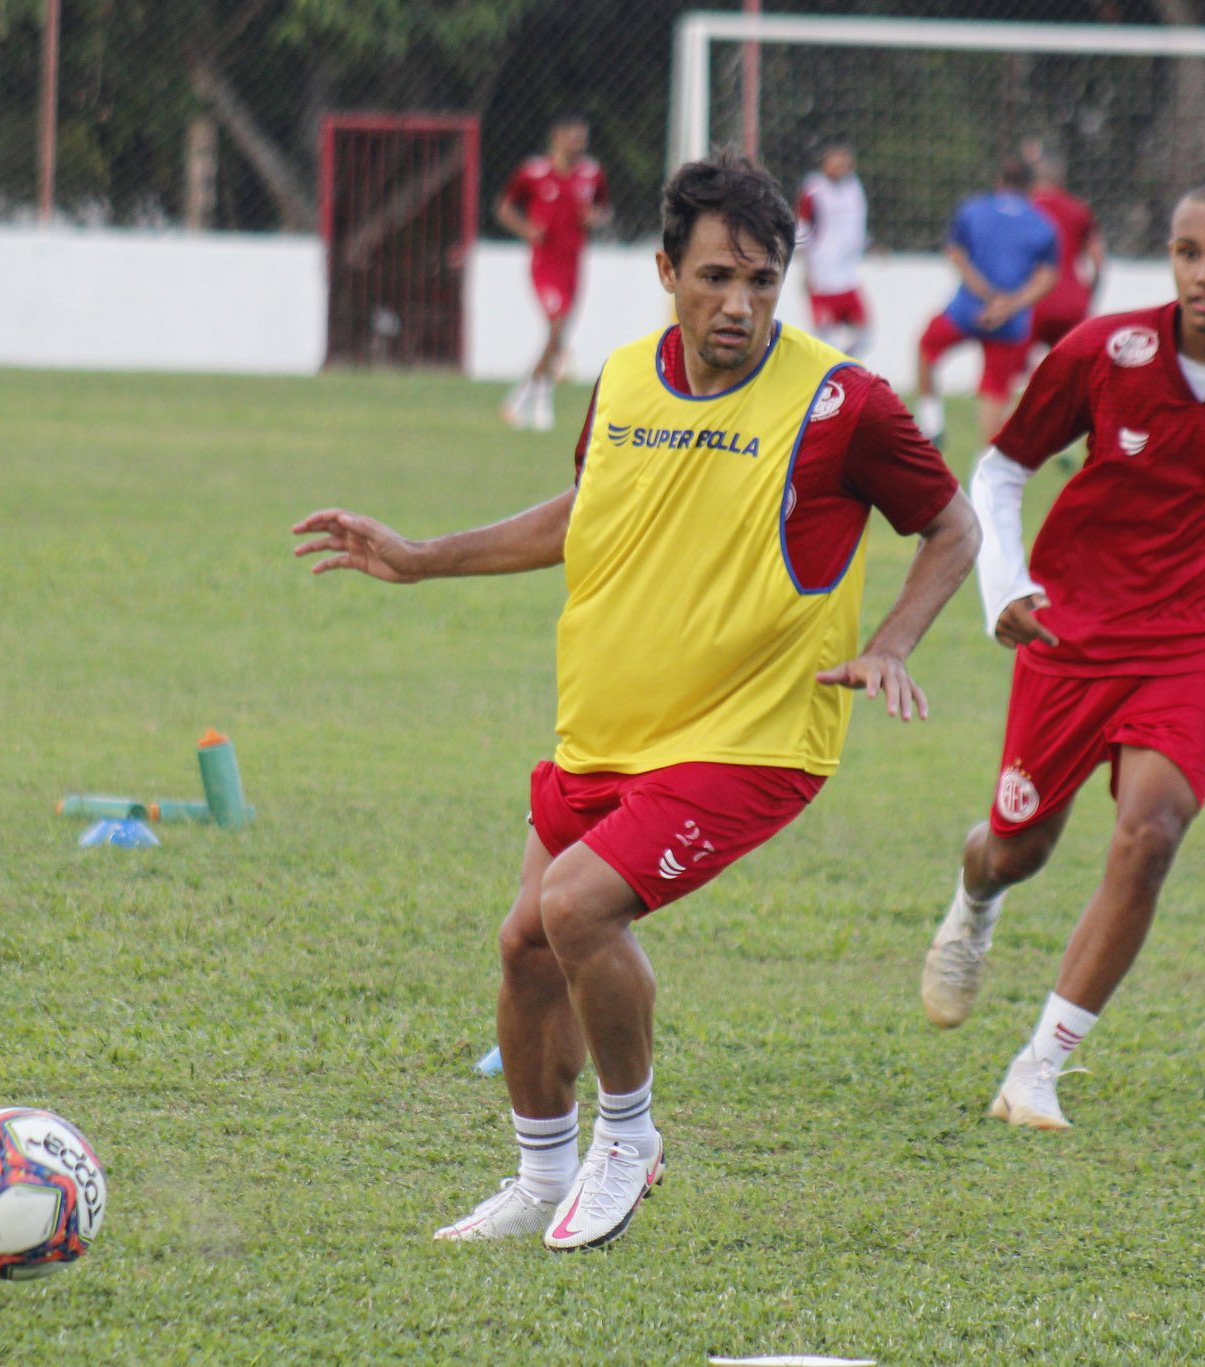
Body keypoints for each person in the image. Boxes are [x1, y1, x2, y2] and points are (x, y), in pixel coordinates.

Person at [295, 155, 978, 1248]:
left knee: (574, 907)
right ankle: (536, 1176)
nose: (739, 305)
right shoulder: (620, 377)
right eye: (715, 276)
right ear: (665, 271)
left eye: (761, 281)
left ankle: (629, 1133)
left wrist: (891, 640)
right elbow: (585, 511)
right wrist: (425, 557)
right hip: (605, 730)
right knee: (525, 945)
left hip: (752, 738)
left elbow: (952, 527)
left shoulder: (840, 401)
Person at [919, 177, 1205, 1131]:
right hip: (1070, 634)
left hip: (1198, 647)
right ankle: (973, 901)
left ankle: (1039, 1066)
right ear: (1169, 256)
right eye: (1188, 252)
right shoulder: (1102, 352)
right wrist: (1008, 590)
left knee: (1151, 831)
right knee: (1017, 847)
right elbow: (998, 473)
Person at [912, 155, 1058, 447]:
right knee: (994, 395)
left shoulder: (972, 210)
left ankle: (931, 420)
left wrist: (987, 296)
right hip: (1011, 322)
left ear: (999, 181)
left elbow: (956, 255)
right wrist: (1011, 304)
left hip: (967, 310)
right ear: (1031, 187)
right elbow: (1047, 276)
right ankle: (984, 476)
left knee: (926, 348)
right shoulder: (1043, 224)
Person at [497, 115, 611, 433]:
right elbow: (504, 207)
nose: (579, 145)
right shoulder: (534, 172)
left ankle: (535, 400)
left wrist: (595, 218)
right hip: (544, 264)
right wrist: (527, 230)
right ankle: (526, 398)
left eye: (582, 139)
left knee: (558, 333)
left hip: (573, 264)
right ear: (557, 138)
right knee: (557, 325)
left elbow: (603, 209)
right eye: (574, 138)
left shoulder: (591, 174)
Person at [796, 140, 872, 357]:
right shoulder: (814, 190)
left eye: (844, 162)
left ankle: (846, 367)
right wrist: (806, 268)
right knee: (824, 339)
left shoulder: (854, 188)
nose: (841, 166)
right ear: (825, 163)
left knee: (864, 334)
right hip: (821, 276)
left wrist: (868, 245)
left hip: (847, 276)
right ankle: (827, 376)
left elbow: (855, 226)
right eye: (836, 161)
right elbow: (802, 227)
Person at [1027, 150, 1105, 360]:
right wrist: (1089, 295)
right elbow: (1098, 261)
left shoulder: (1025, 207)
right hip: (1072, 302)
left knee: (1008, 373)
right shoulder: (1079, 209)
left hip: (1031, 301)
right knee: (1073, 374)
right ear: (1062, 179)